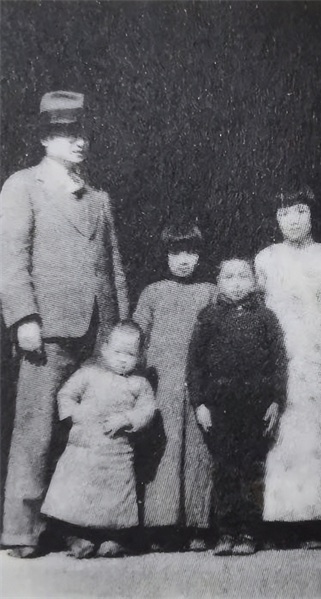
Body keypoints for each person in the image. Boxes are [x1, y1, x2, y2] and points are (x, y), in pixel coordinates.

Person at [0, 91, 128, 558]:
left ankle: (78, 524)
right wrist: (24, 317)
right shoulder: (22, 186)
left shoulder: (98, 198)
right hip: (47, 329)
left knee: (87, 431)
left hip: (98, 331)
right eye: (67, 133)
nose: (79, 142)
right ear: (44, 138)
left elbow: (113, 267)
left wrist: (120, 326)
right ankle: (22, 530)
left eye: (82, 133)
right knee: (36, 429)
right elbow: (10, 259)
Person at [255, 187, 321, 549]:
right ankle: (278, 525)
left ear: (312, 214)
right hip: (276, 361)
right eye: (284, 213)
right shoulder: (265, 259)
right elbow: (259, 314)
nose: (292, 220)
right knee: (277, 440)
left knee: (311, 439)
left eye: (300, 211)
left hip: (313, 360)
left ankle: (313, 524)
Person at [187, 259, 286, 556]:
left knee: (252, 468)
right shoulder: (208, 316)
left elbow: (278, 362)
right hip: (219, 407)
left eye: (243, 276)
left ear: (254, 281)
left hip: (255, 407)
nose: (237, 283)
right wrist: (199, 403)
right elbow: (195, 364)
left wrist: (276, 400)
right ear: (218, 281)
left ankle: (248, 532)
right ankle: (226, 532)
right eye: (229, 277)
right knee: (224, 468)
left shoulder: (266, 317)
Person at [133, 223, 216, 552]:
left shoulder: (210, 291)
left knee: (199, 450)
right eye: (176, 252)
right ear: (165, 255)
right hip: (162, 382)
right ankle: (161, 525)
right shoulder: (152, 293)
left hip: (199, 385)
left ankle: (198, 525)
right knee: (165, 450)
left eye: (191, 253)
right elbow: (137, 337)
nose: (184, 260)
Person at [41, 321, 155, 558]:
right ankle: (75, 537)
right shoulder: (88, 374)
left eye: (130, 354)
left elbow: (147, 411)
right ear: (104, 349)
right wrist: (75, 414)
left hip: (116, 454)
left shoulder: (139, 384)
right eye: (117, 352)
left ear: (139, 356)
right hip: (83, 449)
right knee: (77, 495)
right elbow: (66, 394)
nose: (123, 360)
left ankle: (112, 538)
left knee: (114, 497)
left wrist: (126, 418)